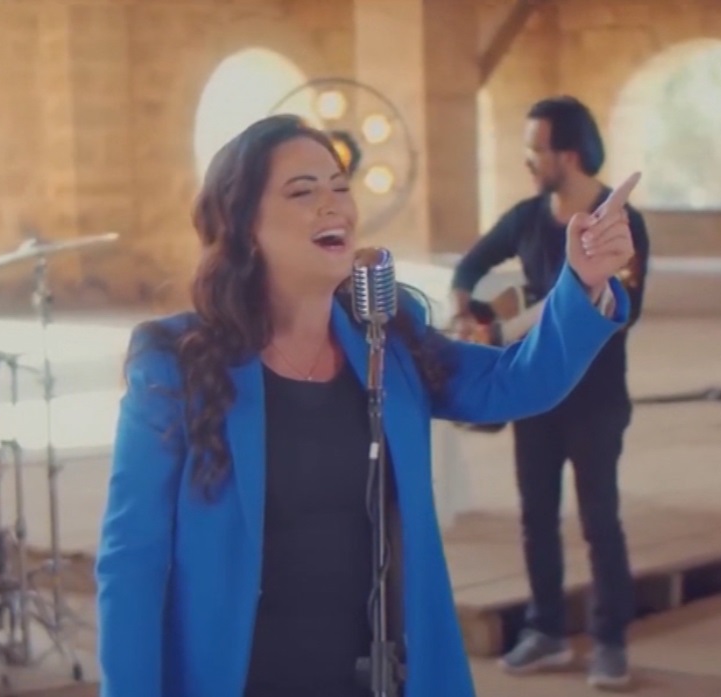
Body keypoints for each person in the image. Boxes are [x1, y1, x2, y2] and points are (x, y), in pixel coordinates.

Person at [95, 114, 636, 697]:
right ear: (243, 223)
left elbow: (513, 383)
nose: (334, 205)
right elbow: (132, 561)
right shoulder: (176, 362)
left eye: (340, 186)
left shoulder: (388, 337)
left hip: (376, 678)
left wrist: (582, 284)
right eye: (303, 191)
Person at [449, 96, 649, 689]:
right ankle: (547, 630)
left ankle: (610, 641)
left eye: (536, 149)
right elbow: (469, 268)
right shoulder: (527, 217)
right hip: (535, 391)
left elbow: (615, 304)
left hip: (596, 399)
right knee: (536, 517)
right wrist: (469, 315)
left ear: (568, 154)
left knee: (599, 520)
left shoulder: (619, 224)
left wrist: (510, 328)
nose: (528, 160)